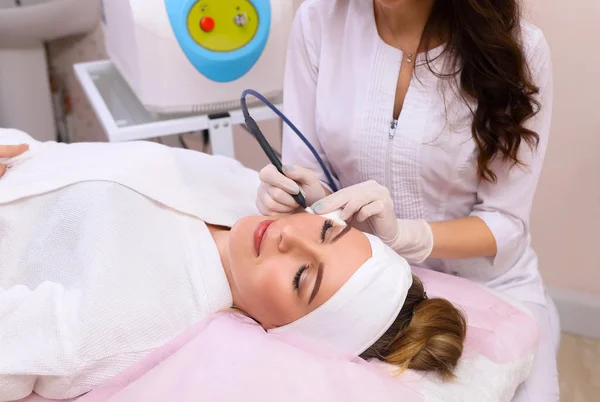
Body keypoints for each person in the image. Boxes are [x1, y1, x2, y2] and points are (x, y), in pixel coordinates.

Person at [0, 129, 466, 401]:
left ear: (280, 331)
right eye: (326, 230)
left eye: (303, 277)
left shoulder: (134, 318)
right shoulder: (244, 197)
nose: (288, 235)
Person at [256, 0, 558, 401]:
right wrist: (301, 196)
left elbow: (505, 222)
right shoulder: (319, 20)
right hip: (363, 284)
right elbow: (307, 165)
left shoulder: (518, 48)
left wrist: (406, 236)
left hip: (490, 284)